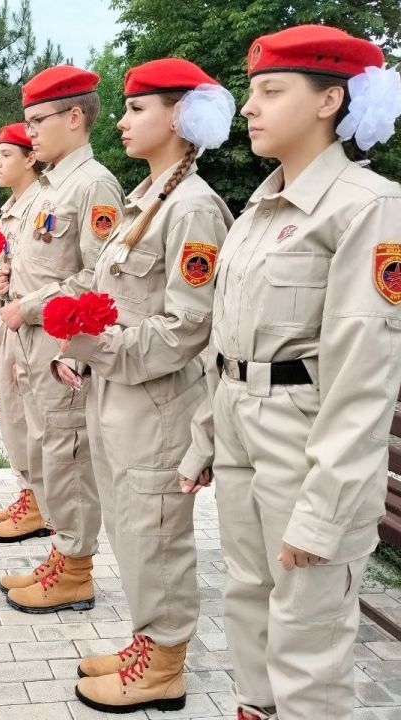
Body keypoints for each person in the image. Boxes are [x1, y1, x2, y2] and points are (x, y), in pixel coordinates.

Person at [175, 25, 401, 720]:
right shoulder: (258, 209)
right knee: (248, 595)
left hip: (307, 443)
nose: (248, 107)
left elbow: (364, 375)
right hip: (243, 426)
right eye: (252, 92)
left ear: (330, 101)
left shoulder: (369, 205)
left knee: (307, 625)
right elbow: (229, 345)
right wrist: (205, 437)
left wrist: (326, 509)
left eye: (272, 91)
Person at [53, 58, 234, 713]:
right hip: (118, 395)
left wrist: (95, 346)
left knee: (156, 536)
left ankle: (163, 667)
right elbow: (116, 299)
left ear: (181, 116)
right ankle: (146, 643)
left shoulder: (193, 209)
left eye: (137, 108)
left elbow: (188, 328)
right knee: (131, 530)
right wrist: (78, 335)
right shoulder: (147, 200)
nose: (123, 122)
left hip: (157, 403)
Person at [0, 65, 124, 612]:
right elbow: (41, 265)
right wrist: (10, 285)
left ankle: (76, 570)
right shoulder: (50, 186)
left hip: (61, 343)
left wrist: (29, 306)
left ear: (74, 117)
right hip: (32, 339)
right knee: (47, 447)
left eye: (38, 120)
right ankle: (63, 556)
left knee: (67, 454)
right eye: (28, 121)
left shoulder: (93, 185)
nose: (31, 132)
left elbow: (99, 277)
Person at [0, 123, 53, 542]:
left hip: (31, 324)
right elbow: (8, 267)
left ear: (30, 159)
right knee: (11, 413)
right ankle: (28, 493)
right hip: (6, 318)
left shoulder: (43, 205)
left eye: (6, 154)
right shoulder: (11, 211)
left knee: (31, 417)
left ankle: (40, 504)